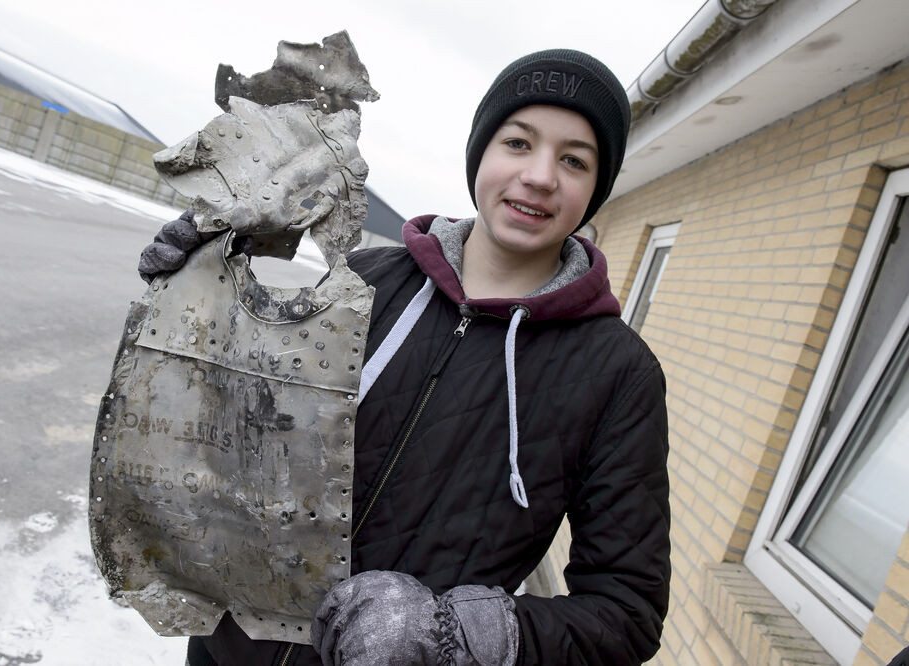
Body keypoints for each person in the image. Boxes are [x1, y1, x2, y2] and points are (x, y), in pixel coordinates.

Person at [141, 48, 671, 666]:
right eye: (519, 143)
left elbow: (627, 611)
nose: (540, 176)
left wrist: (457, 635)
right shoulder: (365, 282)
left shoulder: (617, 375)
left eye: (574, 160)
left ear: (595, 189)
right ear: (482, 151)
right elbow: (240, 433)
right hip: (228, 649)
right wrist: (200, 292)